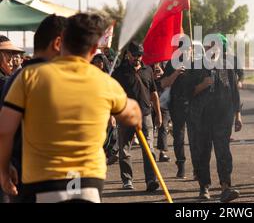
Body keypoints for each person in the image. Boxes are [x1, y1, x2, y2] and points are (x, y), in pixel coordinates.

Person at [0, 13, 142, 203]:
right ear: (93, 49)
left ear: (61, 42)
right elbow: (132, 113)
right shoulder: (103, 82)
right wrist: (134, 114)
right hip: (86, 181)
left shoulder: (28, 77)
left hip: (41, 182)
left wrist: (2, 171)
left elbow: (5, 130)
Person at [0, 14, 67, 203]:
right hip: (53, 177)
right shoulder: (34, 79)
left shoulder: (17, 78)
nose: (13, 59)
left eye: (15, 54)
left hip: (24, 176)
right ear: (58, 43)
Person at [188, 34, 242, 203]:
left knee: (223, 152)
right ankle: (203, 186)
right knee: (202, 153)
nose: (212, 48)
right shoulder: (196, 66)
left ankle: (226, 187)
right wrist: (202, 85)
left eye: (215, 45)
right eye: (209, 45)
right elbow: (187, 93)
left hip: (222, 118)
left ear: (220, 48)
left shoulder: (227, 67)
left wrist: (237, 116)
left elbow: (234, 94)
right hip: (202, 118)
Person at [112, 41, 162, 192]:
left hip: (145, 115)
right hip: (125, 115)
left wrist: (158, 114)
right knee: (124, 149)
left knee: (149, 148)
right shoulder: (119, 72)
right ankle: (127, 180)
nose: (137, 58)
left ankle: (151, 180)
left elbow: (154, 94)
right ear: (128, 54)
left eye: (140, 55)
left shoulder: (147, 70)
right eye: (134, 55)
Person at [161, 39, 203, 180]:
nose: (186, 51)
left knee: (195, 138)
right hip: (177, 104)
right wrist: (176, 73)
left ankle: (197, 168)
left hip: (194, 104)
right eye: (183, 48)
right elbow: (163, 83)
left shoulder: (197, 64)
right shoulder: (173, 63)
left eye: (188, 48)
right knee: (178, 137)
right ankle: (181, 166)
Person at [153, 62, 171, 163]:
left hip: (163, 99)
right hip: (150, 99)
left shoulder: (166, 65)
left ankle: (162, 152)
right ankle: (149, 151)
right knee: (149, 128)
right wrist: (153, 76)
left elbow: (168, 79)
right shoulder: (147, 65)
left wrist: (162, 73)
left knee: (163, 126)